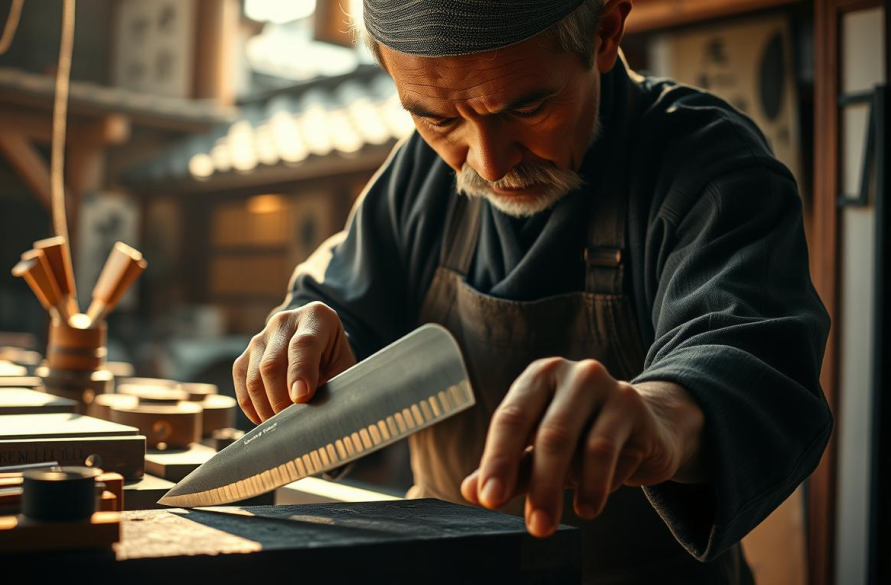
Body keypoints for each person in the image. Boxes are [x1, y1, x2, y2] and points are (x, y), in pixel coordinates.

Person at [232, 1, 833, 582]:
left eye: (527, 107)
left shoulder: (710, 167)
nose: (489, 164)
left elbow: (747, 351)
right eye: (439, 119)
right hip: (440, 569)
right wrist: (313, 346)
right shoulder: (416, 173)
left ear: (604, 30)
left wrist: (660, 414)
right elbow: (348, 303)